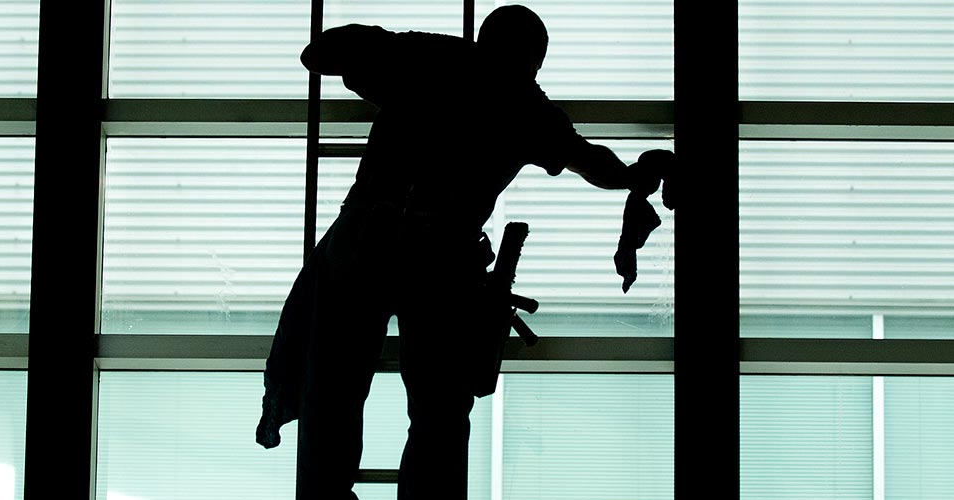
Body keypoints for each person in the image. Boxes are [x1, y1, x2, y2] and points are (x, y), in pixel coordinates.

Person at [256, 6, 674, 500]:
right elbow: (593, 163)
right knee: (437, 409)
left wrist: (406, 49)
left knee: (335, 388)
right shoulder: (525, 105)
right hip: (437, 258)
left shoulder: (435, 63)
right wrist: (633, 175)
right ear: (534, 61)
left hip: (366, 242)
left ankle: (327, 493)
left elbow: (320, 53)